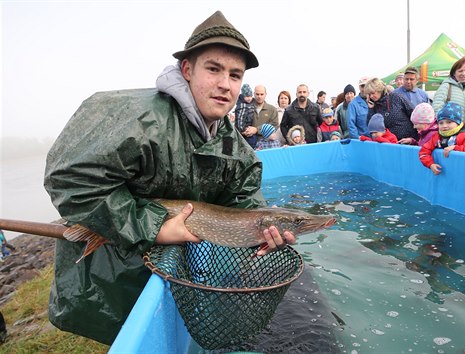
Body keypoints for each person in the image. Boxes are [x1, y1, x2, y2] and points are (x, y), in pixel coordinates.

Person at [43, 10, 296, 345]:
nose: (225, 84)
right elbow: (70, 179)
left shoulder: (237, 150)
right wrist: (154, 227)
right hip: (111, 268)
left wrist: (263, 232)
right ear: (187, 69)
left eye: (235, 75)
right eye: (214, 69)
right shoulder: (137, 117)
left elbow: (244, 203)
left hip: (172, 272)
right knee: (127, 337)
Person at [419, 102, 465, 175]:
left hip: (462, 172)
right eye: (441, 123)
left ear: (458, 123)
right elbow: (423, 151)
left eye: (449, 122)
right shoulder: (436, 137)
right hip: (444, 173)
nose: (444, 126)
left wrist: (455, 148)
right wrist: (430, 164)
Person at [432, 57, 465, 133]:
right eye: (460, 71)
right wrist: (444, 125)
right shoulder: (446, 86)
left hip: (464, 129)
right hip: (449, 130)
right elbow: (436, 107)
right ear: (454, 73)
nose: (464, 73)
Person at [234, 83, 257, 148]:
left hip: (250, 128)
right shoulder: (242, 106)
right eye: (247, 96)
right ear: (243, 96)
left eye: (250, 96)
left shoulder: (252, 103)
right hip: (243, 130)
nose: (249, 98)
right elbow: (239, 119)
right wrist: (242, 130)